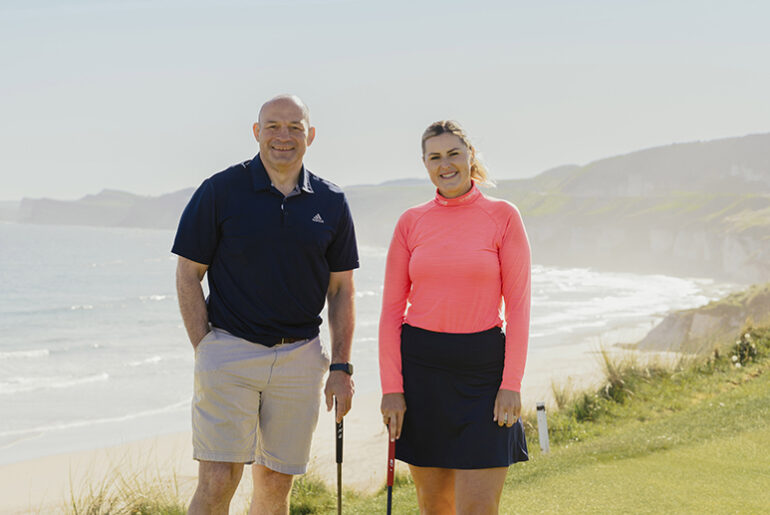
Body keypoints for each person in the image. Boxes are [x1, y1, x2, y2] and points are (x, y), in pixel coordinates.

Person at [172, 95, 358, 515]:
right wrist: (206, 348)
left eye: (294, 127)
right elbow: (188, 273)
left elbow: (342, 289)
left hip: (300, 357)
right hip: (229, 353)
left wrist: (341, 366)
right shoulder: (220, 190)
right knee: (219, 479)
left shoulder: (331, 201)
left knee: (275, 485)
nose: (283, 136)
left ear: (310, 135)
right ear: (256, 132)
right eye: (273, 126)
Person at [379, 120, 530, 514]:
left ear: (470, 157)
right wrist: (392, 388)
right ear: (425, 164)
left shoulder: (503, 216)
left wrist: (511, 383)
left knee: (478, 508)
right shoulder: (411, 222)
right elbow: (392, 312)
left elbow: (518, 306)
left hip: (483, 374)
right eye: (435, 157)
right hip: (422, 372)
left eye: (453, 154)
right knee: (435, 507)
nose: (445, 164)